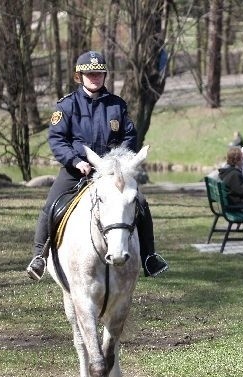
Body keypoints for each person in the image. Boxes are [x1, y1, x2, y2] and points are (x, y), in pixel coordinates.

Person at [25, 51, 168, 280]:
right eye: (89, 74)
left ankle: (150, 257)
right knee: (52, 204)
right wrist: (75, 160)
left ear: (104, 76)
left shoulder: (117, 105)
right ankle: (39, 256)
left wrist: (116, 161)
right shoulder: (66, 106)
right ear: (79, 76)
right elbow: (57, 140)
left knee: (140, 202)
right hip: (77, 168)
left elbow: (129, 137)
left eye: (99, 74)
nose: (95, 78)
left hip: (110, 171)